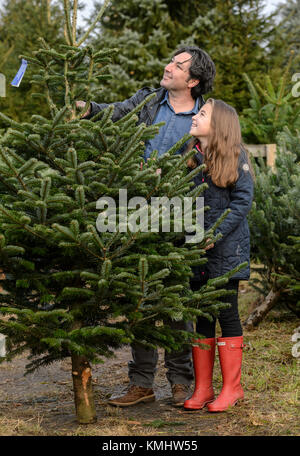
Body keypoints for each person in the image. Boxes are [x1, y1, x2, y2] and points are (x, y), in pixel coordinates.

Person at [77, 46, 216, 407]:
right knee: (139, 298)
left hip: (182, 215)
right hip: (137, 212)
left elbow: (215, 168)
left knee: (176, 303)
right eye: (171, 60)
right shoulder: (148, 100)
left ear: (194, 79)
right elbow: (113, 113)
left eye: (178, 65)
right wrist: (86, 108)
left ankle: (181, 381)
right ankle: (140, 383)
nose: (168, 66)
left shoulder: (207, 114)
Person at [183, 98, 254, 412]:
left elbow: (242, 202)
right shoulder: (188, 157)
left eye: (202, 113)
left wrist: (215, 234)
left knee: (226, 313)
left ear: (220, 125)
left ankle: (232, 387)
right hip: (194, 251)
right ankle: (203, 387)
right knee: (201, 315)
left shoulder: (236, 157)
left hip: (226, 251)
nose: (195, 116)